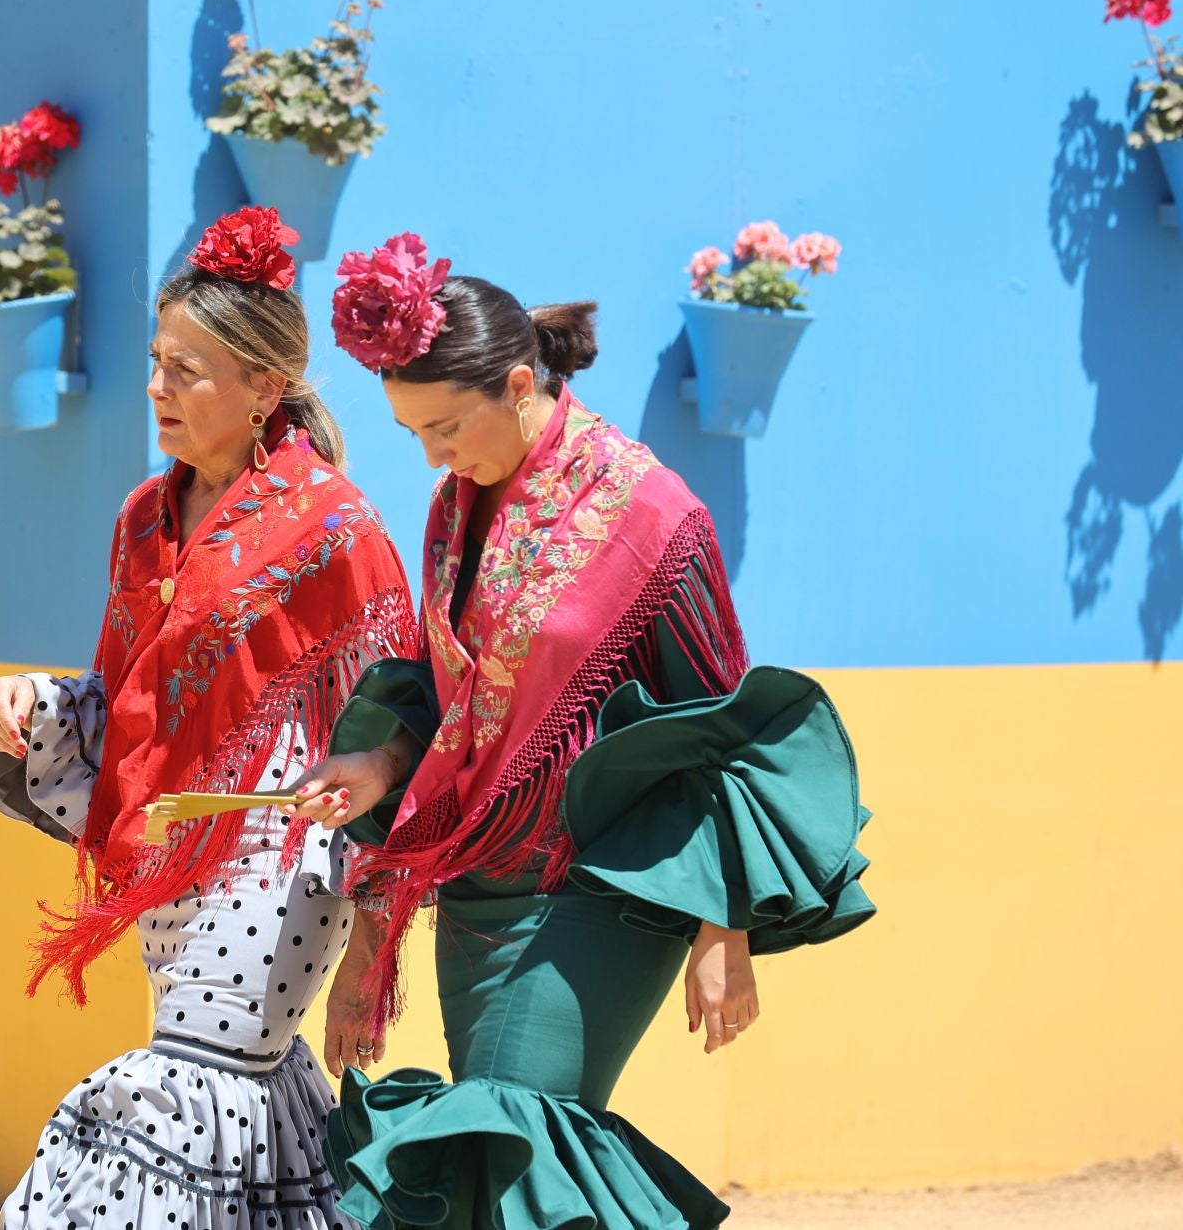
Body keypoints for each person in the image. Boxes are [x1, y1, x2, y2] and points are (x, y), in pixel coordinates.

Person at [287, 234, 876, 1229]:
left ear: (520, 384)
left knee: (517, 1128)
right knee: (492, 1170)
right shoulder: (455, 510)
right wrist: (379, 758)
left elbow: (716, 729)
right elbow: (444, 690)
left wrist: (722, 925)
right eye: (413, 431)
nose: (432, 456)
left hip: (600, 886)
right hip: (477, 888)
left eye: (445, 426)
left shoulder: (654, 518)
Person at [0, 208, 419, 1230]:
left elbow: (398, 736)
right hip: (177, 865)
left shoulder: (336, 529)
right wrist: (30, 704)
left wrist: (371, 946)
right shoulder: (143, 518)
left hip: (283, 863)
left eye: (189, 369)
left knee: (191, 1094)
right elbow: (120, 700)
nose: (157, 388)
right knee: (242, 1135)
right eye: (157, 360)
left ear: (265, 387)